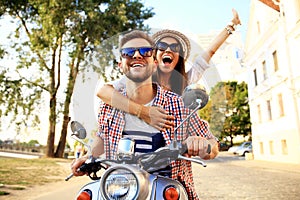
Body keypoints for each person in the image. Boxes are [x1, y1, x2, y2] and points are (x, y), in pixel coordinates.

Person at [71, 30, 219, 199]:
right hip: (119, 191)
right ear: (121, 64)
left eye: (145, 51)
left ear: (154, 63)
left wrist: (201, 144)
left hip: (165, 191)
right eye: (128, 52)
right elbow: (103, 138)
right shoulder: (109, 106)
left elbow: (212, 146)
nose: (136, 55)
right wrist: (89, 158)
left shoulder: (179, 104)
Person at [96, 9, 241, 130]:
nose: (168, 50)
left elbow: (209, 52)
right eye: (162, 47)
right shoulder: (142, 80)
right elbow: (103, 92)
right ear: (154, 57)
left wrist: (231, 26)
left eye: (174, 48)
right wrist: (144, 112)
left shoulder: (186, 80)